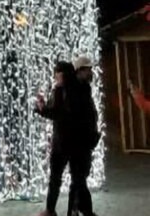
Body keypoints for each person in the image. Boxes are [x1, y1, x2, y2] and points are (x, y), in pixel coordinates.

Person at [35, 60, 85, 216]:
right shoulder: (80, 88)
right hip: (74, 141)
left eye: (57, 73)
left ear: (62, 74)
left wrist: (43, 109)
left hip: (64, 142)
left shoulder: (62, 90)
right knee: (75, 179)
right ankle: (71, 210)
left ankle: (53, 210)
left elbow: (58, 113)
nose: (55, 77)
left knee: (58, 178)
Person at [67, 56, 100, 216]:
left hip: (85, 141)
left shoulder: (84, 88)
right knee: (79, 178)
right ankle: (84, 209)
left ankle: (77, 208)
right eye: (88, 70)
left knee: (80, 177)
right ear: (79, 71)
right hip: (77, 141)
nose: (91, 72)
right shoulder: (74, 90)